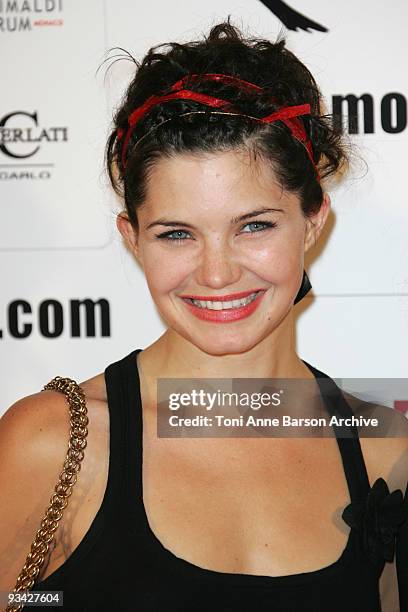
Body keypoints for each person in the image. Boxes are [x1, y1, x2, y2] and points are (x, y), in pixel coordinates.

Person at [1, 20, 407, 612]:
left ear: (313, 219)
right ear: (133, 238)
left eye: (254, 226)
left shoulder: (385, 451)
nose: (216, 274)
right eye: (176, 234)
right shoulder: (53, 444)